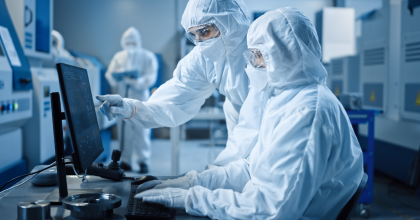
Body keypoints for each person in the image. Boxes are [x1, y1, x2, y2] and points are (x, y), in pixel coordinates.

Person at [135, 8, 364, 219]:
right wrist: (191, 182)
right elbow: (251, 168)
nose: (252, 64)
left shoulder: (306, 112)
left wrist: (193, 198)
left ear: (286, 53)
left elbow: (271, 210)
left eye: (258, 54)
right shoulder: (285, 99)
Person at [97, 0, 257, 169]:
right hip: (238, 128)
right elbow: (175, 99)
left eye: (204, 31)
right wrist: (130, 108)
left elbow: (259, 125)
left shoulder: (264, 52)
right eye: (193, 35)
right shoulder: (202, 58)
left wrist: (217, 176)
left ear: (229, 22)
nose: (199, 42)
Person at [104, 27, 158, 173]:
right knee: (124, 131)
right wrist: (118, 77)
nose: (130, 45)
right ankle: (125, 160)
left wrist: (137, 82)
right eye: (127, 42)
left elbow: (151, 77)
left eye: (133, 42)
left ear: (138, 41)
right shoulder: (119, 57)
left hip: (141, 98)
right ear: (123, 43)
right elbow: (109, 75)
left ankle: (143, 161)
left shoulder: (147, 56)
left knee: (142, 130)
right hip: (123, 97)